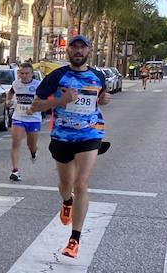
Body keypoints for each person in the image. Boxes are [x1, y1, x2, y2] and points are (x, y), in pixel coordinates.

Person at [30, 35, 111, 259]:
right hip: (63, 137)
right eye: (74, 47)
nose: (78, 51)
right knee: (66, 185)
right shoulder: (57, 76)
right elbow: (34, 107)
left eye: (82, 48)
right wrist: (59, 101)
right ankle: (67, 202)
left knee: (81, 183)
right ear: (68, 52)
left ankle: (74, 239)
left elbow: (100, 97)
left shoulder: (98, 76)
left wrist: (103, 100)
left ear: (88, 51)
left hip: (90, 134)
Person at [6, 60, 42, 182]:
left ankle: (33, 152)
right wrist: (8, 101)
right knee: (15, 141)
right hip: (19, 117)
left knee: (31, 145)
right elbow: (10, 93)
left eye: (27, 73)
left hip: (34, 119)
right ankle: (15, 171)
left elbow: (45, 100)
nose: (24, 76)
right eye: (21, 73)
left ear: (32, 74)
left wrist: (35, 108)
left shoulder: (38, 85)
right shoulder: (16, 84)